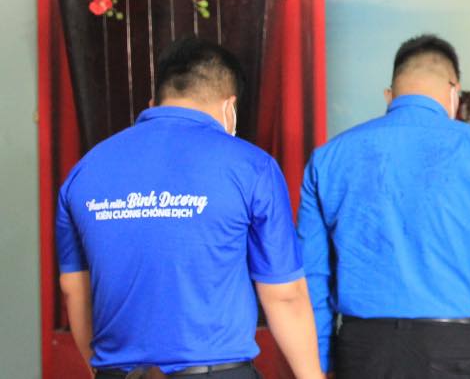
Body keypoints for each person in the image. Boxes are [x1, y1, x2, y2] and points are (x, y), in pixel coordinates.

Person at [55, 36, 323, 378]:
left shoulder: (85, 171)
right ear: (230, 108)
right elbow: (284, 295)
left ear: (153, 103)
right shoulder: (252, 167)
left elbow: (73, 288)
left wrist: (102, 371)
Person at [298, 34, 470, 379]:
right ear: (454, 92)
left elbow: (312, 277)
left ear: (390, 95)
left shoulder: (329, 158)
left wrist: (320, 362)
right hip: (454, 348)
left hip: (362, 350)